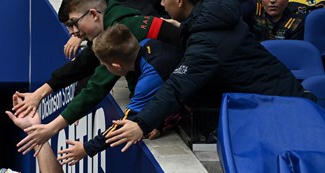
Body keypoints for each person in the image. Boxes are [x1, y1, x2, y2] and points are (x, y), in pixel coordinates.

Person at [106, 0, 314, 150]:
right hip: (281, 106)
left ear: (179, 2)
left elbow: (178, 86)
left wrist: (142, 124)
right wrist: (184, 28)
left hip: (288, 116)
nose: (161, 3)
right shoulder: (211, 18)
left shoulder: (206, 41)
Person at [11, 0, 181, 154]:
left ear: (93, 14)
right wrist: (39, 94)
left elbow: (98, 89)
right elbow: (84, 62)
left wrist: (65, 136)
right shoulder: (116, 27)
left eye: (73, 23)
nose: (72, 33)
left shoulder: (129, 36)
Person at [57, 24, 184, 165]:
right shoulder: (145, 44)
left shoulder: (150, 77)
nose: (104, 69)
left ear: (117, 67)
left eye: (105, 66)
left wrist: (86, 148)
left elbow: (126, 122)